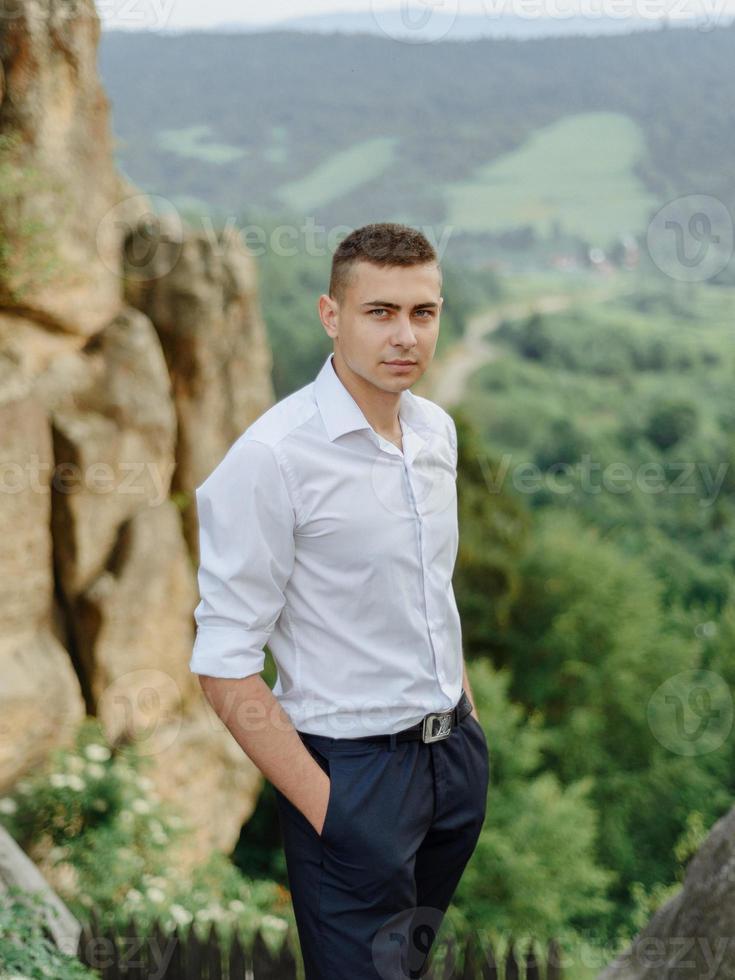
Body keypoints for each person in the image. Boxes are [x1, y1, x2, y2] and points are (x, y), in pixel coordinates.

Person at [189, 222, 490, 979]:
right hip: (350, 778)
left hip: (449, 764)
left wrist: (467, 728)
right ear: (331, 315)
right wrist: (331, 812)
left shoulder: (434, 433)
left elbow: (428, 589)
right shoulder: (271, 459)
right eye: (379, 312)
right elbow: (223, 668)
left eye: (422, 313)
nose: (405, 336)